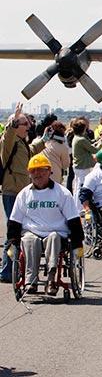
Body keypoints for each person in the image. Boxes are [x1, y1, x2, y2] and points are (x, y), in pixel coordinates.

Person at [6, 154, 84, 295]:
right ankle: (31, 281)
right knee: (29, 239)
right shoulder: (24, 194)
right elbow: (14, 221)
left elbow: (73, 219)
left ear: (49, 171)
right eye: (33, 171)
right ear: (29, 174)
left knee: (53, 237)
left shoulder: (62, 193)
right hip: (31, 231)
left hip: (57, 232)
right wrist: (12, 242)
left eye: (41, 170)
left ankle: (51, 278)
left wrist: (78, 244)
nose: (38, 174)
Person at [0, 103, 46, 282]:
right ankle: (6, 270)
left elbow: (32, 152)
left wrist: (45, 139)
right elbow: (8, 135)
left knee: (23, 231)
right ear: (15, 126)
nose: (29, 127)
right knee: (13, 231)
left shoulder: (22, 143)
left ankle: (16, 267)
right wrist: (13, 120)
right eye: (25, 124)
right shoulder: (8, 142)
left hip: (23, 192)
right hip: (12, 191)